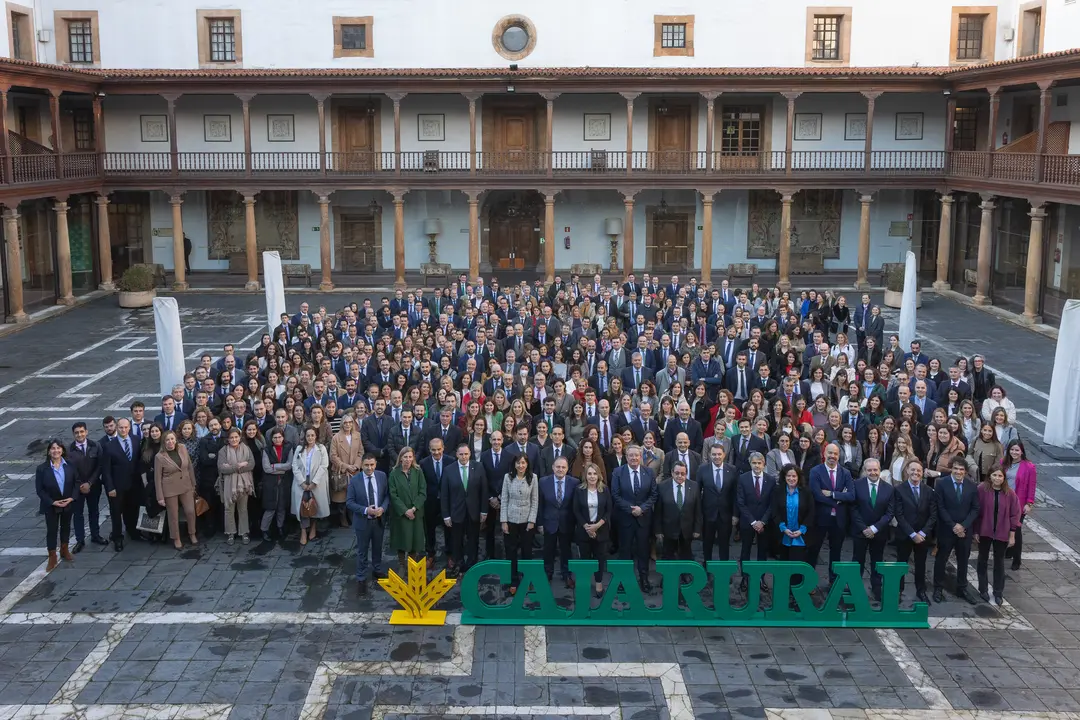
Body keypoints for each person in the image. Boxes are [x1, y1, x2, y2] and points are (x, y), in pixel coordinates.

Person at [933, 455, 980, 604]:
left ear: (965, 472)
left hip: (965, 531)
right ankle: (938, 587)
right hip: (947, 530)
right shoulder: (941, 483)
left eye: (961, 469)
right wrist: (953, 525)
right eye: (955, 468)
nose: (958, 472)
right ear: (951, 469)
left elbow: (975, 508)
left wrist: (963, 525)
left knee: (963, 560)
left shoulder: (972, 486)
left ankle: (962, 588)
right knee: (941, 559)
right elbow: (940, 507)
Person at [611, 444, 658, 591]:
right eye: (630, 455)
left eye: (636, 455)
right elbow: (615, 495)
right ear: (626, 457)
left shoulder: (649, 472)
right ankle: (623, 580)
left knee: (643, 551)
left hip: (644, 519)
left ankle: (644, 579)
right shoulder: (618, 472)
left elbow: (653, 494)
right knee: (625, 551)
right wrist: (631, 509)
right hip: (625, 518)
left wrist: (642, 508)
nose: (634, 458)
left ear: (640, 456)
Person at [807, 443, 855, 583]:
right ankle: (809, 580)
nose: (832, 456)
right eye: (830, 453)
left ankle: (833, 581)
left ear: (838, 456)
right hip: (820, 518)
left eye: (835, 454)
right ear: (824, 454)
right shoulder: (816, 471)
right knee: (814, 550)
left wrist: (832, 494)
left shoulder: (845, 473)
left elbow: (851, 495)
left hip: (839, 520)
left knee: (836, 552)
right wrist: (839, 498)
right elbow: (817, 495)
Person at [891, 459, 936, 604]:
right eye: (913, 470)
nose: (915, 473)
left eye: (919, 470)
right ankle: (898, 591)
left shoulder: (929, 491)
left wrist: (922, 534)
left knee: (921, 565)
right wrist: (912, 534)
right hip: (905, 535)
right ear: (907, 471)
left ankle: (921, 591)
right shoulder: (899, 489)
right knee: (901, 564)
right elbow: (899, 515)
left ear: (922, 473)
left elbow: (933, 514)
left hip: (923, 536)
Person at [440, 444, 488, 576]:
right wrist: (446, 515)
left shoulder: (478, 467)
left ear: (470, 454)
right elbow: (444, 494)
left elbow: (484, 490)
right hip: (456, 512)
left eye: (466, 454)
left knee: (473, 539)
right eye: (461, 454)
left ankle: (472, 564)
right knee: (456, 540)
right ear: (456, 455)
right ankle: (458, 564)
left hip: (474, 511)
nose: (463, 457)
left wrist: (484, 511)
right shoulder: (449, 470)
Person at [850, 458, 893, 601]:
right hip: (860, 531)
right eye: (869, 470)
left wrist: (874, 528)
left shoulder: (889, 488)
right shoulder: (856, 485)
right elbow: (853, 509)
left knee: (877, 561)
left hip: (879, 533)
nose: (873, 473)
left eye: (875, 470)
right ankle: (854, 588)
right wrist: (864, 528)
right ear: (865, 470)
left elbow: (889, 513)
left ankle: (876, 588)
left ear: (880, 470)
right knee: (857, 560)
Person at [976, 467, 1020, 605]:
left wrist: (1012, 535)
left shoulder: (1010, 493)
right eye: (994, 475)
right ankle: (982, 589)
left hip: (1002, 532)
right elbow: (977, 511)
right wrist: (976, 531)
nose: (997, 478)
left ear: (1004, 478)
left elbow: (1015, 515)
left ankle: (998, 592)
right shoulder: (981, 489)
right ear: (989, 476)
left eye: (1000, 476)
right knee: (982, 559)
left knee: (999, 562)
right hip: (984, 531)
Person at [771, 464, 813, 608]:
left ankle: (797, 597)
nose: (791, 478)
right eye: (788, 476)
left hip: (800, 536)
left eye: (794, 476)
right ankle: (784, 595)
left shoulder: (806, 492)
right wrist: (782, 527)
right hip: (784, 535)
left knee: (797, 568)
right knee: (784, 566)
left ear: (799, 477)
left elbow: (811, 512)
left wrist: (802, 529)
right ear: (784, 477)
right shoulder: (778, 491)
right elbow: (774, 511)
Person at [346, 453, 389, 594]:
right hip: (363, 522)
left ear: (376, 464)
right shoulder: (355, 480)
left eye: (372, 465)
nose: (369, 468)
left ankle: (377, 569)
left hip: (379, 521)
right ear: (362, 465)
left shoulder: (382, 476)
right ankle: (361, 577)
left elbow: (387, 496)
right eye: (366, 465)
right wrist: (366, 510)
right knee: (362, 550)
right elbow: (350, 502)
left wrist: (383, 508)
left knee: (378, 547)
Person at [736, 451, 776, 593]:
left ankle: (761, 578)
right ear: (750, 463)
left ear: (764, 464)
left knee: (762, 552)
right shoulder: (742, 478)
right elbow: (740, 502)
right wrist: (753, 522)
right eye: (754, 463)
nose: (757, 466)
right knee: (745, 551)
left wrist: (763, 522)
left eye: (759, 463)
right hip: (748, 522)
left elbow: (772, 504)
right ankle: (745, 578)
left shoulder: (771, 480)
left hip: (765, 523)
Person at [100, 418, 142, 552]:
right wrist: (110, 487)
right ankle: (117, 537)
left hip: (134, 484)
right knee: (116, 513)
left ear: (129, 427)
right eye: (121, 428)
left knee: (132, 509)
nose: (123, 430)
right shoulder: (109, 446)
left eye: (125, 427)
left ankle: (133, 531)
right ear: (117, 428)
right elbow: (106, 470)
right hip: (117, 487)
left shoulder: (136, 440)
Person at [500, 453, 538, 594]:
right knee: (511, 551)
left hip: (527, 521)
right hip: (511, 520)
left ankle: (527, 580)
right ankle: (513, 580)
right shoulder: (507, 477)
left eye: (523, 463)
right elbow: (504, 500)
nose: (521, 466)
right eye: (518, 463)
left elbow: (535, 501)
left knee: (527, 552)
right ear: (514, 464)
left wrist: (532, 521)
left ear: (527, 464)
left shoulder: (533, 478)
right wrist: (504, 521)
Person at [154, 430, 199, 549]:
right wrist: (160, 497)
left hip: (186, 485)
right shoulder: (159, 456)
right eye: (167, 440)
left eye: (172, 439)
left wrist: (193, 484)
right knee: (173, 515)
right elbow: (157, 478)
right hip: (169, 488)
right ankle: (176, 538)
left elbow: (189, 466)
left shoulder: (182, 448)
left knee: (190, 511)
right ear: (164, 442)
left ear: (175, 439)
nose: (170, 442)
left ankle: (192, 533)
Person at [35, 440, 76, 572]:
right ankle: (52, 556)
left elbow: (77, 482)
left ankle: (64, 549)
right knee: (52, 530)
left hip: (67, 502)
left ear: (62, 450)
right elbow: (40, 490)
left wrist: (72, 498)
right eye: (53, 448)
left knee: (66, 527)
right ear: (48, 451)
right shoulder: (42, 469)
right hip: (51, 504)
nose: (56, 451)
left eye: (58, 448)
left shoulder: (70, 465)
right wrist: (52, 502)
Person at [572, 462, 611, 598]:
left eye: (595, 473)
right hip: (584, 530)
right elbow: (576, 510)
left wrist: (597, 525)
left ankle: (599, 582)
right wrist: (587, 527)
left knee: (600, 558)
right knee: (585, 558)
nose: (592, 476)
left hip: (601, 529)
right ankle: (584, 582)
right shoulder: (579, 490)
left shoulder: (604, 489)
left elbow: (609, 511)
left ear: (599, 475)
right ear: (585, 475)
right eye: (589, 473)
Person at [538, 455, 577, 585]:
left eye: (563, 467)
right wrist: (540, 523)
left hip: (567, 523)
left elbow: (575, 506)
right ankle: (547, 573)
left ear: (567, 469)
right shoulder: (543, 482)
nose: (560, 469)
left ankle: (566, 574)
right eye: (558, 467)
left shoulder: (574, 482)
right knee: (548, 550)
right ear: (553, 467)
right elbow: (540, 504)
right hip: (549, 522)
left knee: (566, 550)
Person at [68, 422, 107, 552]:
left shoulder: (95, 446)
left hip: (93, 486)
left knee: (94, 511)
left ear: (86, 432)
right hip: (76, 488)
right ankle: (80, 540)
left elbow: (100, 466)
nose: (80, 434)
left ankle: (95, 535)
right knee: (78, 514)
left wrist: (89, 483)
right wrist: (80, 484)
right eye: (77, 432)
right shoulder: (69, 450)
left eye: (82, 431)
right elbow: (70, 470)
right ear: (73, 434)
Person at [654, 461, 701, 562]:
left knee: (686, 554)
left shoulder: (694, 486)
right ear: (672, 473)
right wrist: (658, 530)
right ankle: (669, 576)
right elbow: (658, 510)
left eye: (683, 473)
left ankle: (685, 574)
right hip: (668, 529)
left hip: (687, 529)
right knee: (668, 554)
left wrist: (697, 529)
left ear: (686, 473)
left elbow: (697, 509)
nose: (680, 476)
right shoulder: (662, 487)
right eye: (677, 473)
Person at [698, 444, 737, 564]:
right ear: (709, 455)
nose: (717, 457)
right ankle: (707, 568)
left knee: (724, 544)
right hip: (707, 514)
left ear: (724, 455)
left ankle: (723, 568)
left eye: (719, 454)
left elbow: (735, 494)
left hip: (726, 514)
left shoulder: (732, 469)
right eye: (714, 454)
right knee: (707, 543)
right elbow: (697, 493)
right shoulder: (702, 469)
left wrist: (735, 515)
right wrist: (698, 515)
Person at [388, 446, 426, 570]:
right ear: (400, 458)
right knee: (401, 539)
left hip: (415, 513)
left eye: (410, 457)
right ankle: (401, 564)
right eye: (405, 457)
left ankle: (411, 566)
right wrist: (405, 510)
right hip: (401, 514)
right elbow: (393, 495)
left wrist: (414, 509)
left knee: (414, 540)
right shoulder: (394, 473)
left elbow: (422, 491)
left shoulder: (418, 471)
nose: (408, 460)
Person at [1001, 440, 1037, 570]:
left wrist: (1029, 503)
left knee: (1016, 530)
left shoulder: (1029, 466)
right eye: (1012, 449)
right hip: (1004, 501)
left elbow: (1032, 486)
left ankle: (1017, 559)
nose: (1014, 452)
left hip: (1019, 503)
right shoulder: (1003, 463)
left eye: (1017, 450)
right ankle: (1009, 551)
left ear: (1021, 451)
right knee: (1006, 527)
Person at [216, 428, 256, 545]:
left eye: (236, 437)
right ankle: (230, 533)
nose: (234, 439)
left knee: (243, 509)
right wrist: (239, 465)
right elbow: (222, 468)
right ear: (227, 439)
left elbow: (251, 464)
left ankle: (244, 532)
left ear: (240, 437)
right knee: (229, 509)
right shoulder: (223, 451)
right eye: (231, 437)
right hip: (229, 484)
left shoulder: (246, 448)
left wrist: (231, 467)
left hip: (244, 485)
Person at [292, 426, 331, 545]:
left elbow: (324, 466)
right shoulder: (299, 448)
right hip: (302, 481)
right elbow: (294, 466)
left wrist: (314, 482)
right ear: (305, 436)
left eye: (312, 435)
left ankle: (313, 529)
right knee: (303, 506)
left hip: (316, 481)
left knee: (314, 505)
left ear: (316, 436)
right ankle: (303, 531)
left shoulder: (321, 448)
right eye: (308, 435)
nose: (310, 438)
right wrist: (302, 483)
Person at [260, 428, 295, 540]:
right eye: (275, 437)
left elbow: (289, 465)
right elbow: (266, 468)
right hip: (270, 483)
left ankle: (280, 527)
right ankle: (264, 529)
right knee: (270, 508)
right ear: (271, 439)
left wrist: (274, 466)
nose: (277, 439)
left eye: (279, 437)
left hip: (284, 482)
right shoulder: (266, 450)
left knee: (281, 507)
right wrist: (281, 468)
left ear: (283, 437)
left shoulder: (288, 447)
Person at [330, 415, 364, 528]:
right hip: (342, 472)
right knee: (342, 499)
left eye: (350, 422)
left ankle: (352, 516)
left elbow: (361, 452)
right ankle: (342, 517)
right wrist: (345, 466)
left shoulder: (357, 436)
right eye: (345, 422)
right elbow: (333, 456)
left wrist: (356, 465)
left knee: (354, 496)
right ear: (342, 424)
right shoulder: (336, 438)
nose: (348, 424)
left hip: (354, 471)